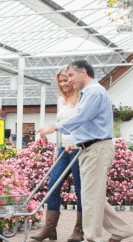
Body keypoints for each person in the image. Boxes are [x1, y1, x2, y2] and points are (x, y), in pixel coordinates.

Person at [37, 60, 133, 242]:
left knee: (90, 199)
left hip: (96, 149)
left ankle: (92, 238)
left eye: (71, 75)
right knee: (93, 197)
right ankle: (121, 230)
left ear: (82, 73)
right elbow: (84, 122)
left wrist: (53, 128)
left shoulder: (94, 92)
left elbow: (81, 117)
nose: (69, 80)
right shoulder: (88, 93)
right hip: (89, 149)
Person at [31, 66, 83, 242]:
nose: (63, 84)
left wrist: (75, 143)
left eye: (66, 80)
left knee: (80, 190)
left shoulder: (82, 98)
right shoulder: (61, 100)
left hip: (78, 149)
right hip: (63, 150)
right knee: (52, 186)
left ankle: (79, 230)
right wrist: (56, 151)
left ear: (72, 78)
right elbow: (59, 126)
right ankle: (49, 229)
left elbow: (82, 124)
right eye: (60, 81)